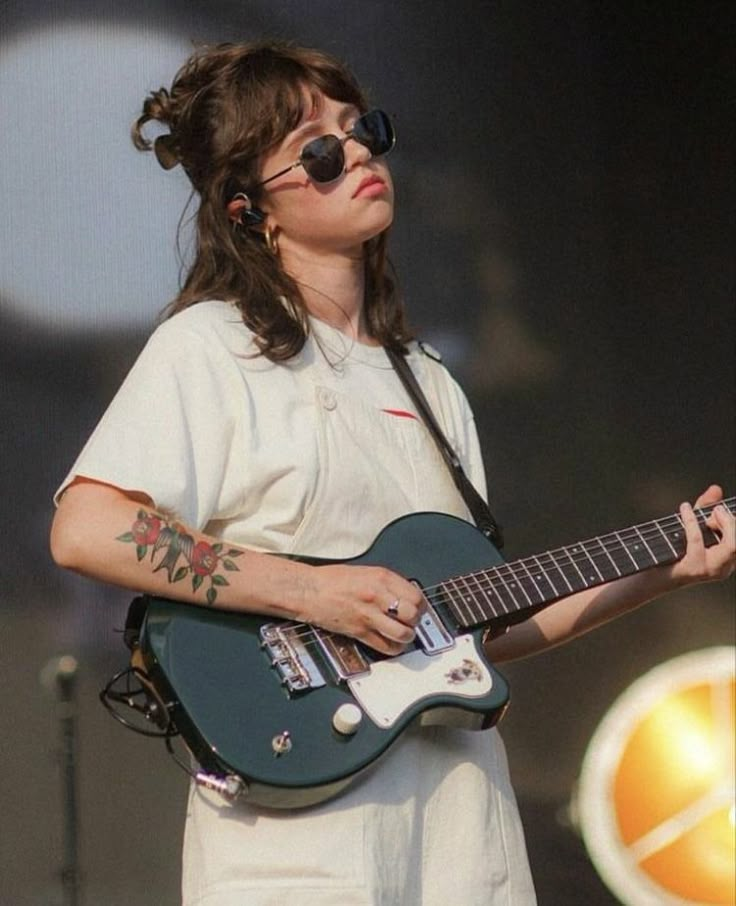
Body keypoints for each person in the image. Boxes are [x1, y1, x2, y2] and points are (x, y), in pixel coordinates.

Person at [50, 40, 735, 906]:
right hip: (305, 846)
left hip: (460, 841)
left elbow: (473, 628)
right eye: (321, 150)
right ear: (249, 207)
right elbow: (87, 525)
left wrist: (663, 572)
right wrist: (311, 594)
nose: (360, 153)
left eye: (360, 128)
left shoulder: (433, 384)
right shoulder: (211, 346)